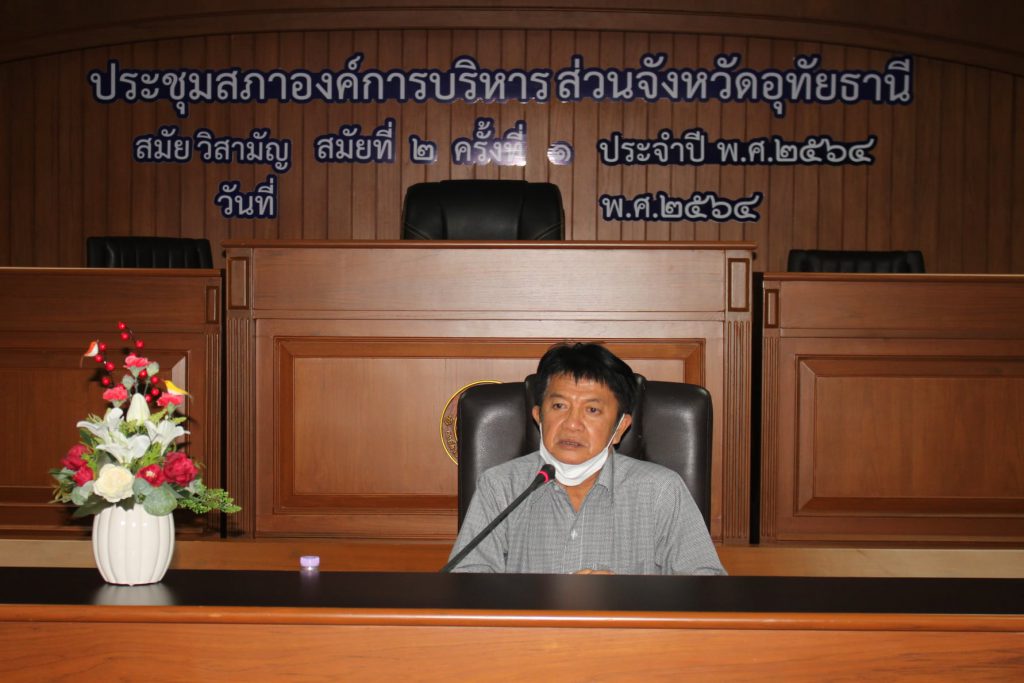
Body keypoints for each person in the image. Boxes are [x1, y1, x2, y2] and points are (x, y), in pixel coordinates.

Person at [448, 342, 726, 575]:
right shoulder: (500, 486)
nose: (572, 424)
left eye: (592, 410)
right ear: (538, 416)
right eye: (559, 405)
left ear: (620, 428)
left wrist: (630, 596)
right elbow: (467, 584)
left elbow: (705, 587)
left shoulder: (661, 490)